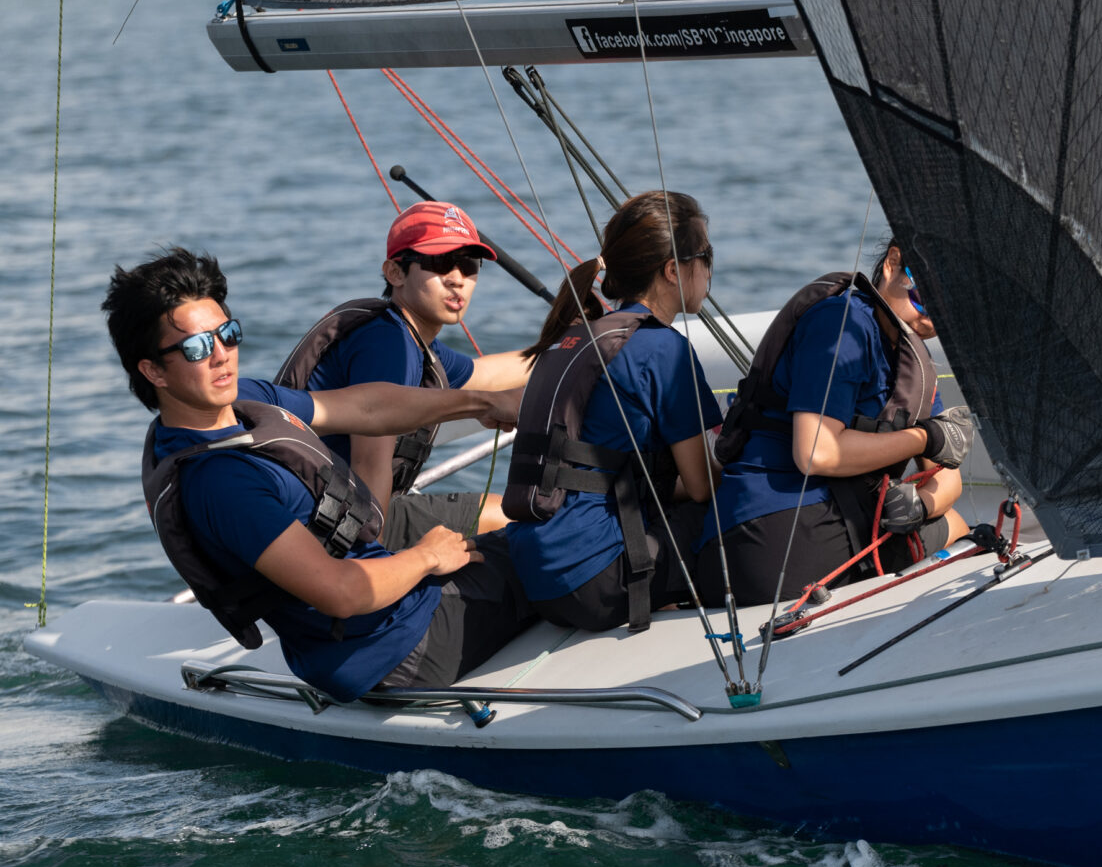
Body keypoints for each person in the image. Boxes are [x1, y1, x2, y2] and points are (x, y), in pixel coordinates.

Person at [104, 245, 533, 702]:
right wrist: (428, 556)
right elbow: (340, 593)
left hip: (380, 614)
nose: (221, 355)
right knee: (564, 546)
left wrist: (486, 403)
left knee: (524, 527)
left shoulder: (242, 402)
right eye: (197, 347)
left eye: (228, 334)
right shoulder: (222, 481)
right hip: (398, 644)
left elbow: (364, 407)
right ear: (153, 370)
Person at [692, 239, 974, 609]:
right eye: (924, 295)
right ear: (891, 263)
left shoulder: (913, 360)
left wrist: (920, 505)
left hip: (817, 525)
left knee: (949, 517)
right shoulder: (843, 325)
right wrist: (922, 438)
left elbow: (947, 475)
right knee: (959, 529)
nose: (932, 317)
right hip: (764, 538)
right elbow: (815, 452)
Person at [501, 191, 722, 633]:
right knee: (742, 512)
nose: (711, 269)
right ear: (673, 270)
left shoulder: (579, 334)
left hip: (540, 573)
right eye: (706, 255)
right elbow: (702, 487)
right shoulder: (664, 349)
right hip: (598, 579)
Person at [276, 200, 534, 539]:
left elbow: (485, 374)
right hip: (325, 524)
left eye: (469, 266)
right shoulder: (388, 345)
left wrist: (580, 346)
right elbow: (370, 466)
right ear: (395, 272)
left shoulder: (413, 340)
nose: (457, 280)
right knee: (510, 518)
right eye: (441, 264)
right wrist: (376, 568)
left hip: (331, 509)